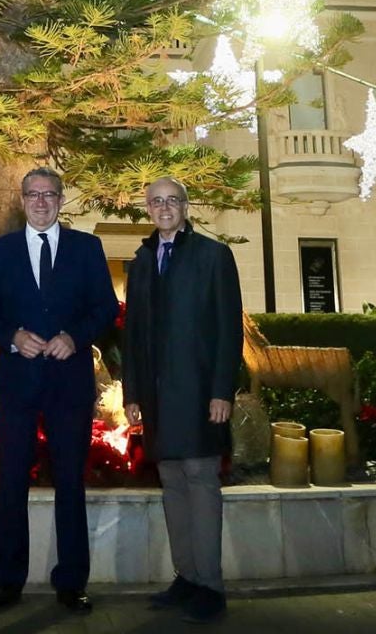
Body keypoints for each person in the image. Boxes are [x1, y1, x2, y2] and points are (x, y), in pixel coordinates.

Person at [0, 167, 118, 614]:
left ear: (60, 199)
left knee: (70, 481)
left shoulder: (87, 248)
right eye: (33, 195)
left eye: (49, 194)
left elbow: (106, 308)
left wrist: (75, 336)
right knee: (11, 479)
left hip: (69, 382)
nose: (40, 202)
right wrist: (12, 336)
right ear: (22, 199)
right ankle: (8, 579)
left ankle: (71, 581)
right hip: (17, 381)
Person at [123, 177, 243, 625]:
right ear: (148, 209)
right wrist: (131, 392)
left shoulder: (213, 256)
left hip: (199, 393)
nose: (165, 208)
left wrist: (221, 391)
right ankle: (187, 577)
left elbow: (228, 330)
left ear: (185, 206)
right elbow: (132, 333)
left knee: (201, 481)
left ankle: (210, 585)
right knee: (172, 483)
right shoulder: (139, 261)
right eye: (157, 202)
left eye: (173, 200)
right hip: (155, 398)